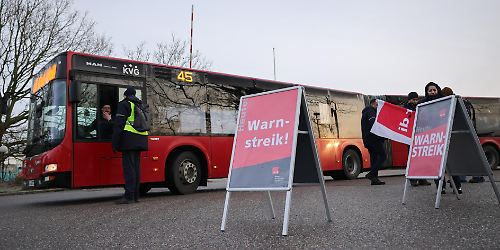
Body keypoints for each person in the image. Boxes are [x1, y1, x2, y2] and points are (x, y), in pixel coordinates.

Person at [420, 83, 461, 194]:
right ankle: (440, 187)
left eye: (434, 90)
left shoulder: (446, 101)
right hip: (434, 138)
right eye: (430, 91)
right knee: (435, 164)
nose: (432, 92)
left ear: (437, 90)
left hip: (446, 136)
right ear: (426, 92)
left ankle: (457, 186)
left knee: (451, 162)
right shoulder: (423, 104)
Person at [112, 87, 149, 204]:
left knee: (129, 169)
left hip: (129, 140)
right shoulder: (140, 105)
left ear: (125, 95)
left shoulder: (124, 104)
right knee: (136, 169)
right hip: (141, 139)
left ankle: (129, 196)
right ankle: (136, 196)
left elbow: (119, 125)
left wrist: (115, 143)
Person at [442, 87, 485, 184]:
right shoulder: (462, 101)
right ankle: (471, 177)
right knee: (466, 154)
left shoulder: (454, 102)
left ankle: (472, 177)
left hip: (462, 133)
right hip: (467, 132)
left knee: (463, 155)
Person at [404, 92, 431, 187]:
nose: (415, 101)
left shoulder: (420, 106)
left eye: (416, 99)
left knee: (422, 158)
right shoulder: (405, 108)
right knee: (412, 159)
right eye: (414, 99)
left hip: (420, 134)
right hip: (411, 137)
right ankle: (413, 179)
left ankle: (422, 178)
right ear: (409, 100)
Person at [361, 98, 386, 185]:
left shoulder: (366, 111)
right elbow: (373, 121)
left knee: (374, 158)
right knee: (383, 156)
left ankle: (374, 179)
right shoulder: (371, 111)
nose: (378, 106)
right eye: (377, 104)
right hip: (374, 139)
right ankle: (372, 174)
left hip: (368, 140)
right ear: (373, 104)